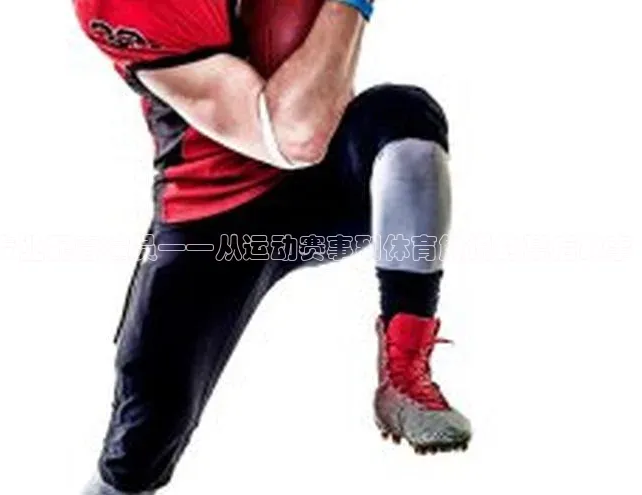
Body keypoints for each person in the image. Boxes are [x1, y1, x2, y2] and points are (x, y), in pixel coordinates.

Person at [72, 0, 471, 493]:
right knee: (140, 443)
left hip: (321, 197)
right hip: (218, 230)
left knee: (407, 119)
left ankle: (404, 369)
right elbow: (295, 135)